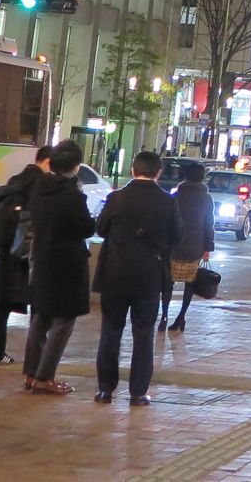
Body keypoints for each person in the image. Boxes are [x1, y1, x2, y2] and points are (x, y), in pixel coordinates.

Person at [93, 150, 182, 405]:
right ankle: (138, 392)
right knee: (143, 334)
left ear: (133, 169)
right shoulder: (167, 202)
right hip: (149, 277)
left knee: (110, 331)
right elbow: (177, 236)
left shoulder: (116, 198)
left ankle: (105, 390)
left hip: (115, 273)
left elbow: (101, 229)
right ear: (158, 173)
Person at [21, 140, 94, 395]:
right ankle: (44, 377)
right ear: (75, 166)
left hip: (43, 259)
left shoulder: (40, 189)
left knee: (41, 317)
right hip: (67, 264)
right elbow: (86, 227)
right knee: (64, 320)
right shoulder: (72, 195)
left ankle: (31, 374)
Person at [0, 145, 52, 366]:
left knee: (1, 305)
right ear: (47, 162)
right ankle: (36, 359)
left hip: (7, 251)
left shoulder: (16, 180)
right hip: (28, 253)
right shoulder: (41, 184)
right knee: (38, 308)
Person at [159, 160, 213, 334]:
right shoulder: (207, 198)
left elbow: (167, 221)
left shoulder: (175, 195)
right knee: (190, 284)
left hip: (174, 245)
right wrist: (208, 248)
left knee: (168, 283)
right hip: (195, 247)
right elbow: (209, 225)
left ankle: (164, 316)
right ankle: (181, 316)